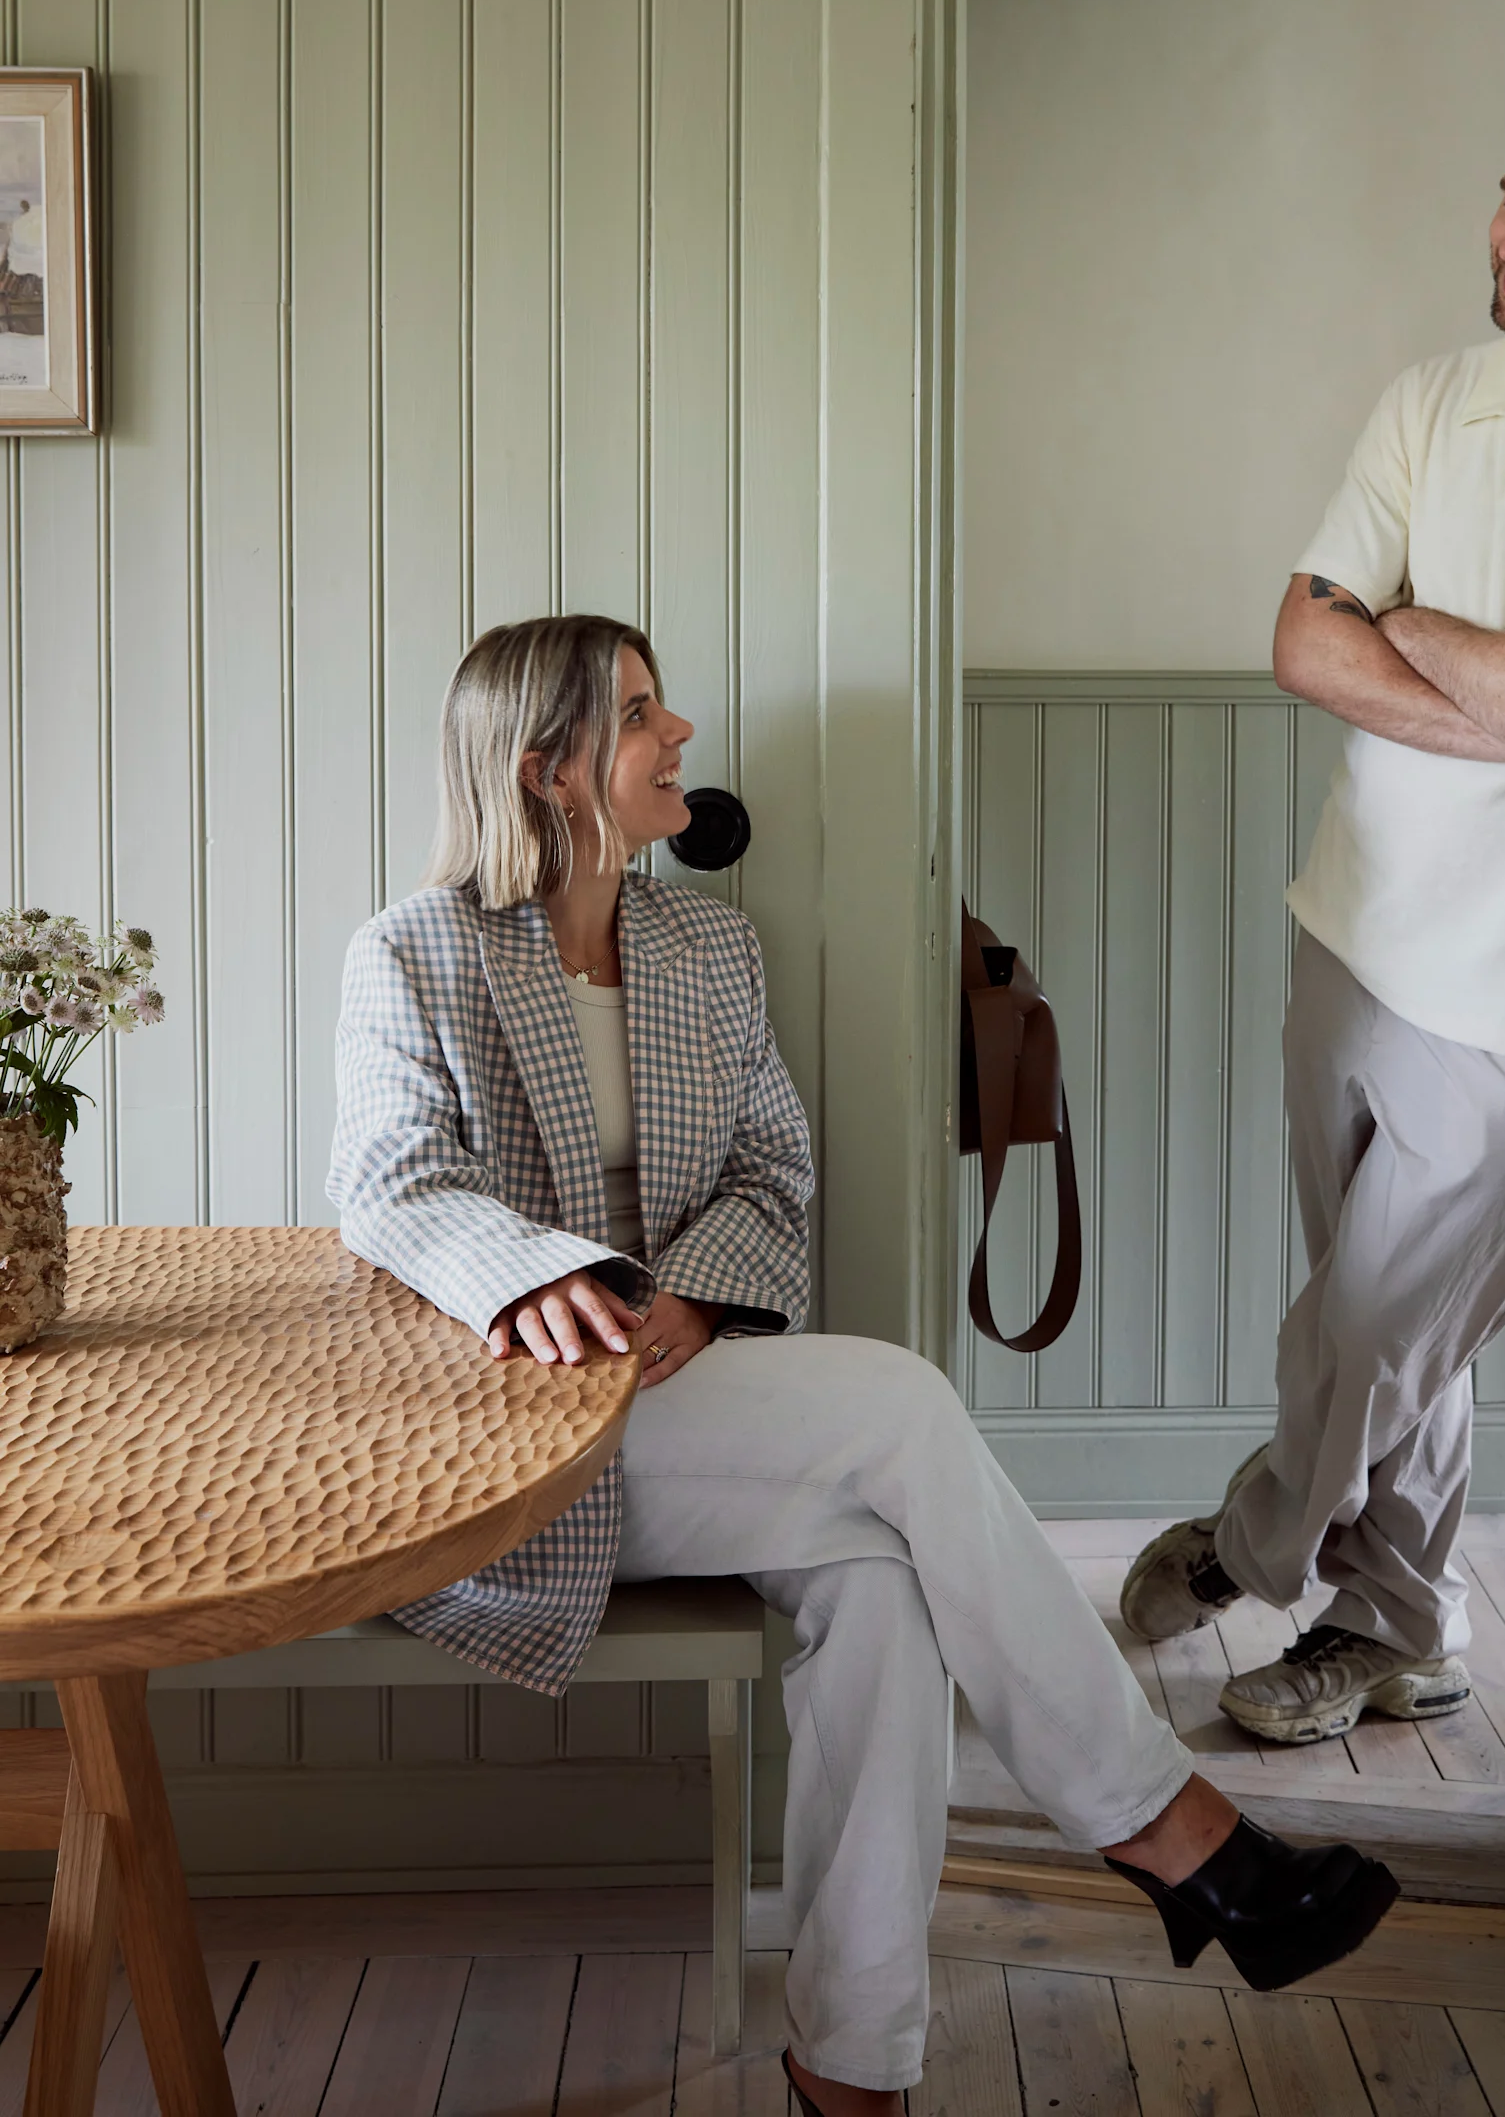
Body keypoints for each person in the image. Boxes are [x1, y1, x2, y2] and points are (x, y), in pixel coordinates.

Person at [329, 614, 1398, 2116]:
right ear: (550, 766)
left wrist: (694, 1297)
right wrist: (551, 1276)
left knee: (884, 1596)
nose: (680, 734)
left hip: (695, 1413)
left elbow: (775, 1170)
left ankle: (856, 2068)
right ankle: (1171, 1833)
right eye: (642, 713)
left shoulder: (707, 944)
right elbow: (387, 1184)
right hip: (522, 1446)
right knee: (900, 1404)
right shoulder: (413, 951)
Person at [1121, 74, 1505, 1752]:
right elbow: (1307, 638)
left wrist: (1415, 626)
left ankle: (1253, 1541)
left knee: (1376, 1319)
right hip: (1354, 927)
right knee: (1394, 1337)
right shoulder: (1434, 396)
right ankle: (1398, 1628)